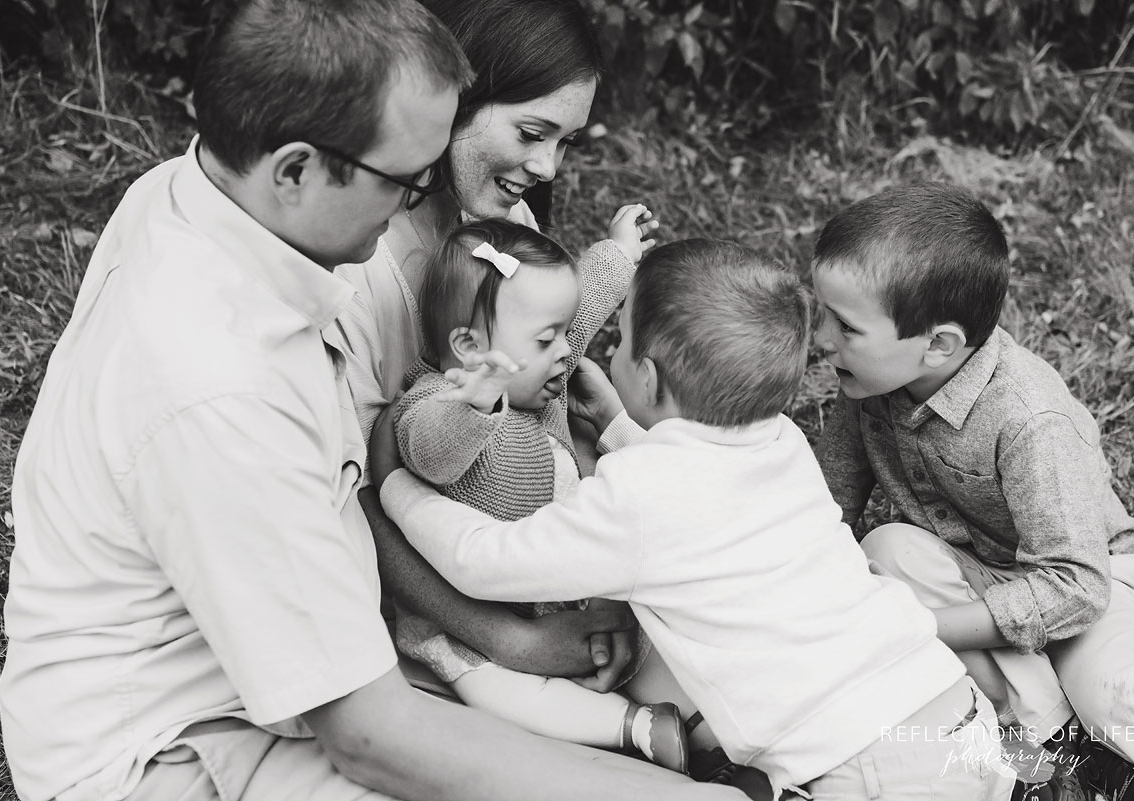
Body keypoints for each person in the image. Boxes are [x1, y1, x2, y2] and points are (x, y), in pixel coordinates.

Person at [0, 2, 740, 800]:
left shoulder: (217, 201)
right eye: (405, 181)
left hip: (304, 667)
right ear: (294, 171)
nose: (416, 201)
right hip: (180, 738)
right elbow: (373, 735)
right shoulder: (219, 389)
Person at [372, 239, 1016, 801]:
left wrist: (398, 488)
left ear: (648, 379)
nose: (604, 349)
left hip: (865, 763)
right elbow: (700, 494)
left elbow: (484, 561)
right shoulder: (781, 441)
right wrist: (623, 427)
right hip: (948, 704)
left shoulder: (636, 502)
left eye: (618, 339)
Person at [329, 0, 651, 697]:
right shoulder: (358, 264)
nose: (547, 166)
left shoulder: (503, 222)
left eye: (565, 142)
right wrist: (512, 639)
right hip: (437, 596)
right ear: (457, 95)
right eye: (534, 132)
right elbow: (354, 498)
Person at [811, 183, 1134, 801]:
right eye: (822, 315)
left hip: (1080, 586)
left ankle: (1075, 713)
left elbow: (1078, 586)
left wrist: (921, 630)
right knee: (888, 547)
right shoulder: (868, 384)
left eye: (846, 327)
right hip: (974, 570)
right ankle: (1045, 737)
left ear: (937, 344)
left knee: (1115, 697)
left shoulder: (1029, 420)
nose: (821, 339)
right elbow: (825, 508)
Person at [391, 216, 684, 769]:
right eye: (548, 341)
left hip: (561, 587)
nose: (567, 353)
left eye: (563, 334)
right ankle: (633, 729)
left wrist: (618, 255)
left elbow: (582, 301)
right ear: (469, 348)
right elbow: (429, 453)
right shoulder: (434, 402)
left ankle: (680, 707)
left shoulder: (537, 378)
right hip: (481, 625)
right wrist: (475, 402)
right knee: (494, 692)